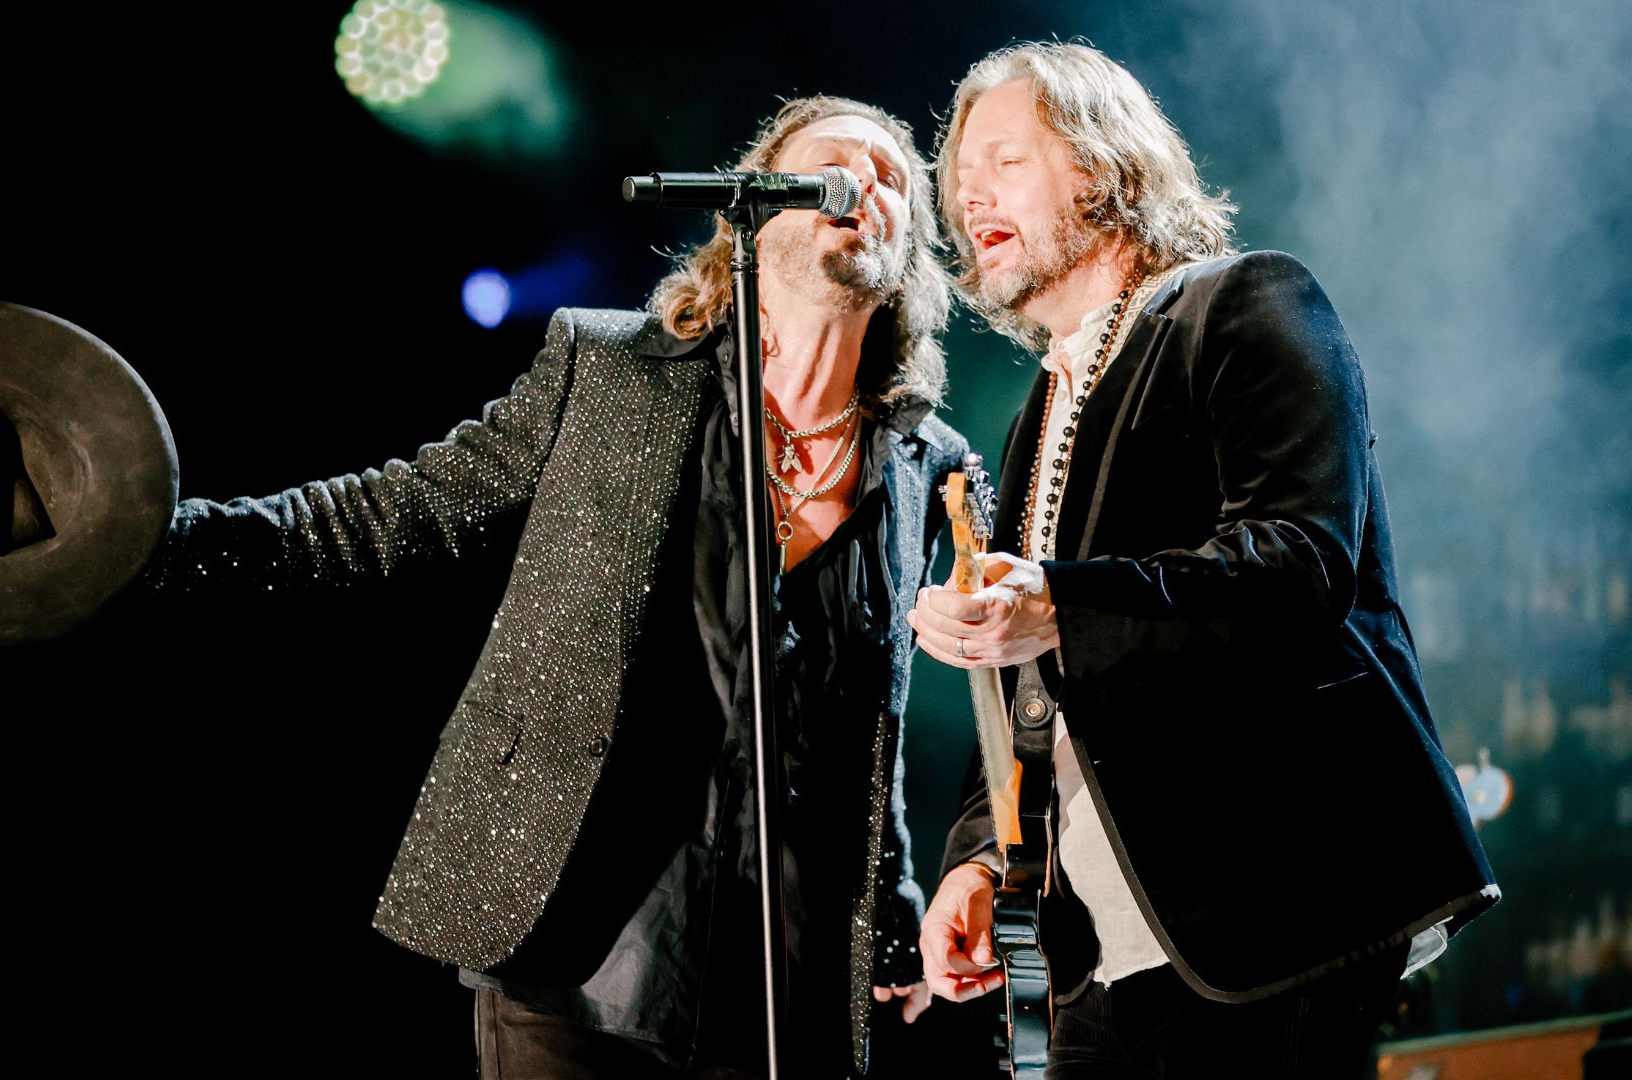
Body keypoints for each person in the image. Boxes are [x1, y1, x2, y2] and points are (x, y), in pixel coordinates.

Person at [144, 96, 966, 1078]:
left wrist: (893, 895)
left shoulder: (929, 464)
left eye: (893, 182)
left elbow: (871, 720)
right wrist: (153, 540)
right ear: (753, 203)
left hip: (781, 971)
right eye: (836, 162)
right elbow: (398, 513)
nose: (865, 185)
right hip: (576, 944)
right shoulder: (612, 371)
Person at [907, 43, 1499, 1078]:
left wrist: (1052, 604)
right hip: (1097, 956)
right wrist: (976, 856)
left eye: (1003, 160)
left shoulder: (1246, 303)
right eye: (959, 176)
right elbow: (1035, 686)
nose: (966, 194)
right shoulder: (1039, 409)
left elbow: (1297, 564)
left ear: (1098, 166)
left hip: (1267, 914)